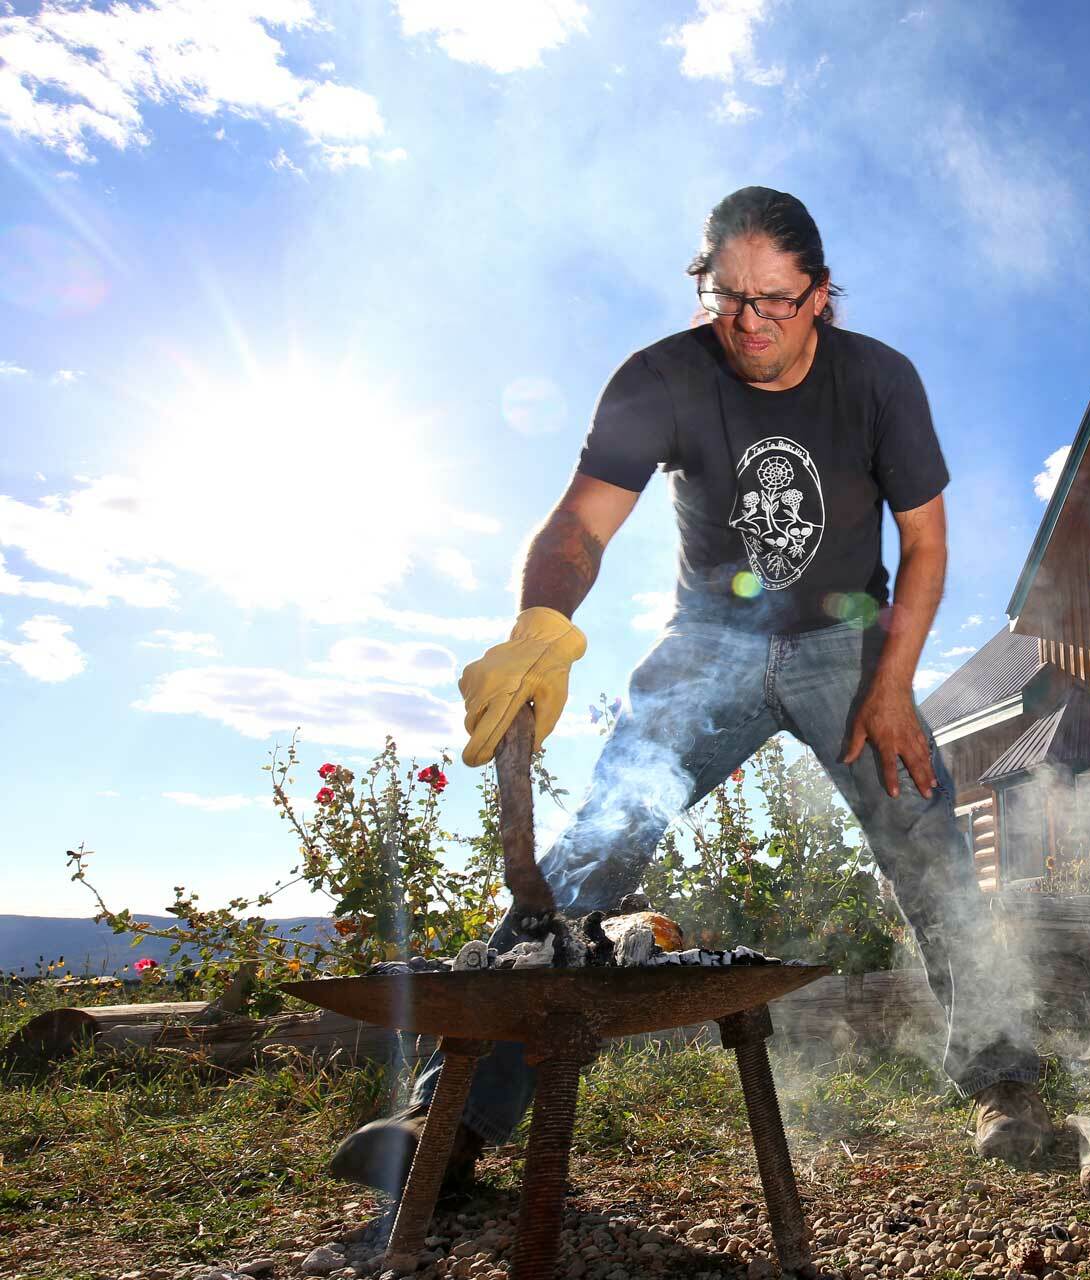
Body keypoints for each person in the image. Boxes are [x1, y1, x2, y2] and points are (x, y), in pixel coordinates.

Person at [330, 187, 1050, 1192]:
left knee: (925, 837)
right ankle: (446, 1121)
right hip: (708, 642)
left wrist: (891, 687)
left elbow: (926, 542)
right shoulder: (659, 376)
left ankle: (1005, 1085)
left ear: (822, 295)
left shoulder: (880, 381)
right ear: (701, 283)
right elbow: (579, 525)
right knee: (591, 849)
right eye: (728, 296)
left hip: (847, 643)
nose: (751, 322)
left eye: (777, 299)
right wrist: (540, 622)